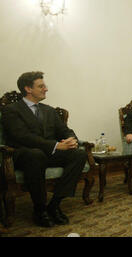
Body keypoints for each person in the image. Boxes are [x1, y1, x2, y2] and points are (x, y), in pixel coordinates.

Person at [1, 71, 87, 227]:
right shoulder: (11, 110)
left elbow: (65, 130)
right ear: (28, 89)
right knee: (36, 154)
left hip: (48, 153)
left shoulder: (49, 110)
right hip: (24, 154)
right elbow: (22, 137)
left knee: (79, 155)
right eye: (41, 86)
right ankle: (39, 210)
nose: (46, 89)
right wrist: (55, 145)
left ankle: (54, 205)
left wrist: (71, 140)